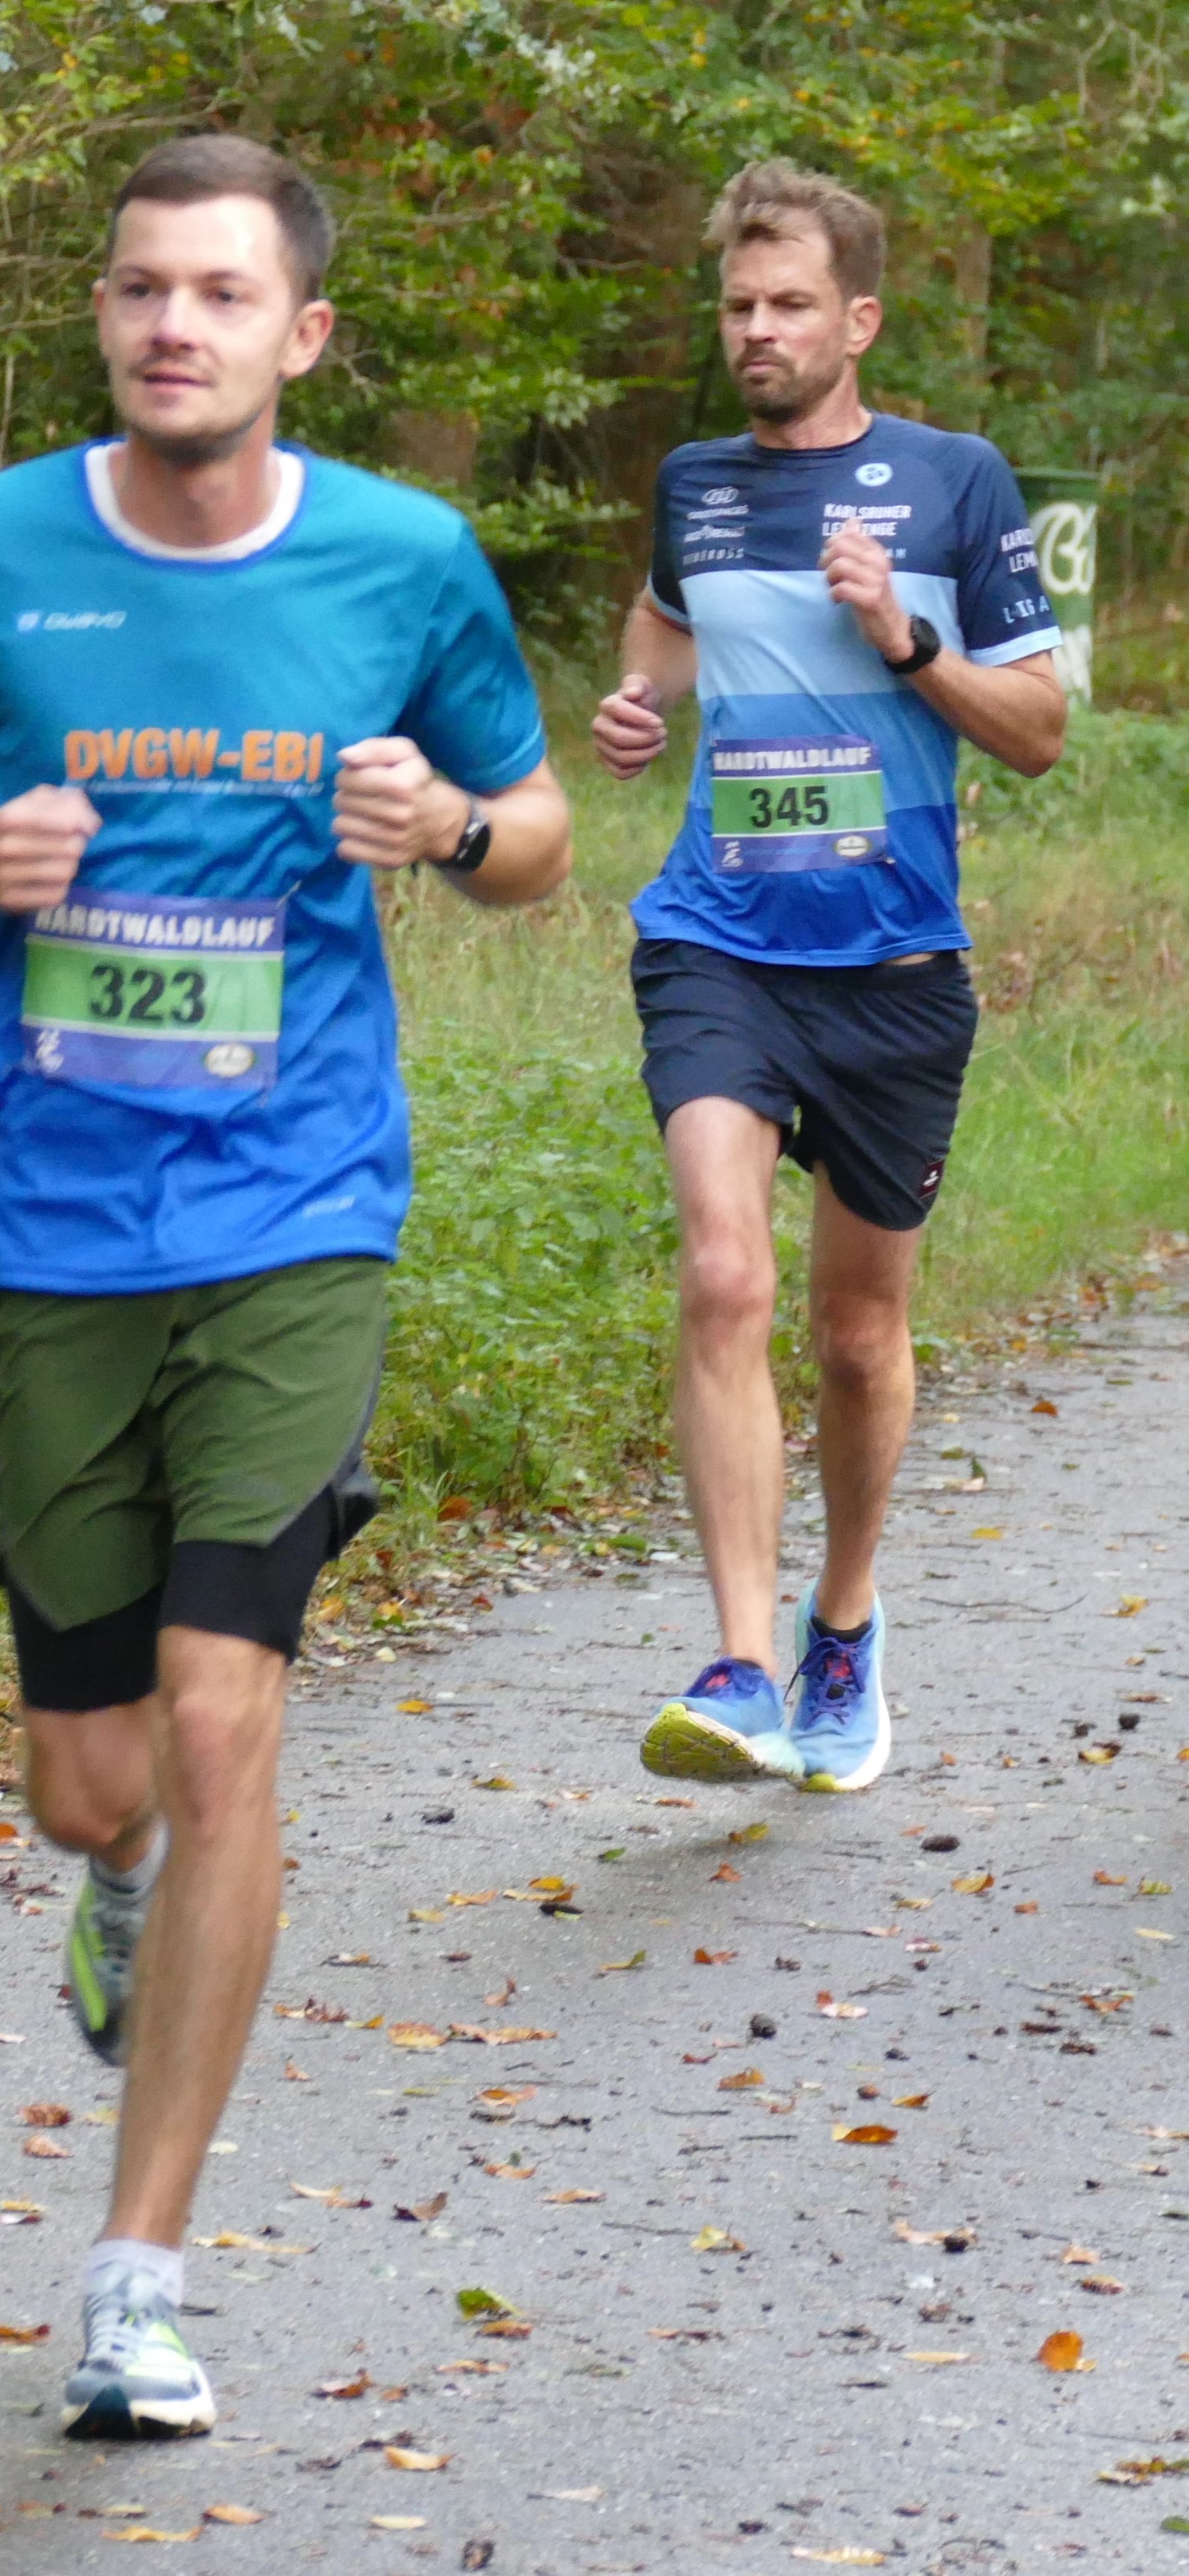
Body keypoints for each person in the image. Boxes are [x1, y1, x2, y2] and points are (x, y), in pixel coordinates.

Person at [0, 133, 571, 2440]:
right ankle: (119, 1879)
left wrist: (450, 830)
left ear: (299, 335)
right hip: (50, 1226)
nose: (174, 325)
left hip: (296, 1208)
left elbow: (537, 837)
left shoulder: (403, 559)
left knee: (229, 1718)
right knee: (92, 1781)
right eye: (143, 286)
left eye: (222, 293)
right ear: (105, 313)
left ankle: (135, 2277)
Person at [592, 159, 1064, 1793]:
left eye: (789, 304)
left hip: (895, 969)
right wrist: (641, 703)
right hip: (716, 940)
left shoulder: (952, 482)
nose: (756, 331)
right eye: (737, 304)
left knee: (859, 1339)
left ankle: (839, 1627)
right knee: (724, 1275)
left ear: (856, 321)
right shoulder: (696, 483)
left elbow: (1040, 732)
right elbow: (664, 619)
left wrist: (904, 640)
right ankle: (737, 1667)